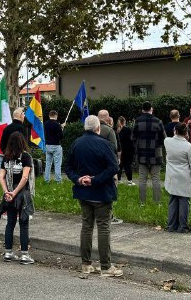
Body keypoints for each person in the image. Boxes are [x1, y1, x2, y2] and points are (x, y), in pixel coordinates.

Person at [63, 115, 122, 277]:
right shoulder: (105, 144)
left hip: (83, 191)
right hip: (101, 192)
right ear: (98, 128)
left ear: (85, 128)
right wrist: (95, 180)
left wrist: (78, 179)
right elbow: (113, 167)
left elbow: (67, 166)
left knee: (86, 226)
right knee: (103, 227)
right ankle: (105, 266)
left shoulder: (76, 144)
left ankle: (86, 264)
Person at [0, 132, 35, 264]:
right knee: (24, 224)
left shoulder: (6, 158)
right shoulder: (25, 157)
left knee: (10, 223)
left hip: (9, 194)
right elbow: (25, 177)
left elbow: (1, 176)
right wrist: (15, 192)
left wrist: (7, 192)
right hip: (22, 194)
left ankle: (8, 252)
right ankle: (24, 255)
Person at [164, 123, 191, 233]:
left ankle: (171, 225)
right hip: (184, 176)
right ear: (186, 133)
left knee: (173, 200)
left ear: (175, 131)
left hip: (171, 175)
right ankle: (183, 226)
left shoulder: (167, 141)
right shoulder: (189, 147)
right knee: (184, 201)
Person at [132, 102, 166, 205]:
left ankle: (142, 202)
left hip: (142, 153)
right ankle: (157, 202)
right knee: (156, 178)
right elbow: (164, 138)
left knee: (142, 179)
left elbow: (133, 137)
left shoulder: (137, 121)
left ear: (142, 110)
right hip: (156, 153)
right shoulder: (158, 121)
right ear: (151, 109)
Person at [0, 108, 27, 175]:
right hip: (19, 161)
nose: (24, 117)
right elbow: (24, 145)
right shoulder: (22, 128)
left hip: (7, 158)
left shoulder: (7, 128)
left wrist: (7, 154)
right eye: (23, 115)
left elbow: (2, 145)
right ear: (20, 116)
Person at [43, 110, 64, 183]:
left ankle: (46, 180)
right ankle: (58, 180)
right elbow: (61, 136)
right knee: (57, 164)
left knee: (48, 164)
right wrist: (61, 128)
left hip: (48, 145)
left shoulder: (45, 124)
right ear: (56, 115)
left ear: (49, 115)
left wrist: (60, 126)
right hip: (56, 146)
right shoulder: (57, 124)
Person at [116, 117, 135, 185]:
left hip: (120, 150)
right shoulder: (128, 129)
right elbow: (131, 140)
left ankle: (119, 179)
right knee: (128, 165)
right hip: (127, 150)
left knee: (120, 165)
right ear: (124, 122)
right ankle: (129, 181)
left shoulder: (117, 131)